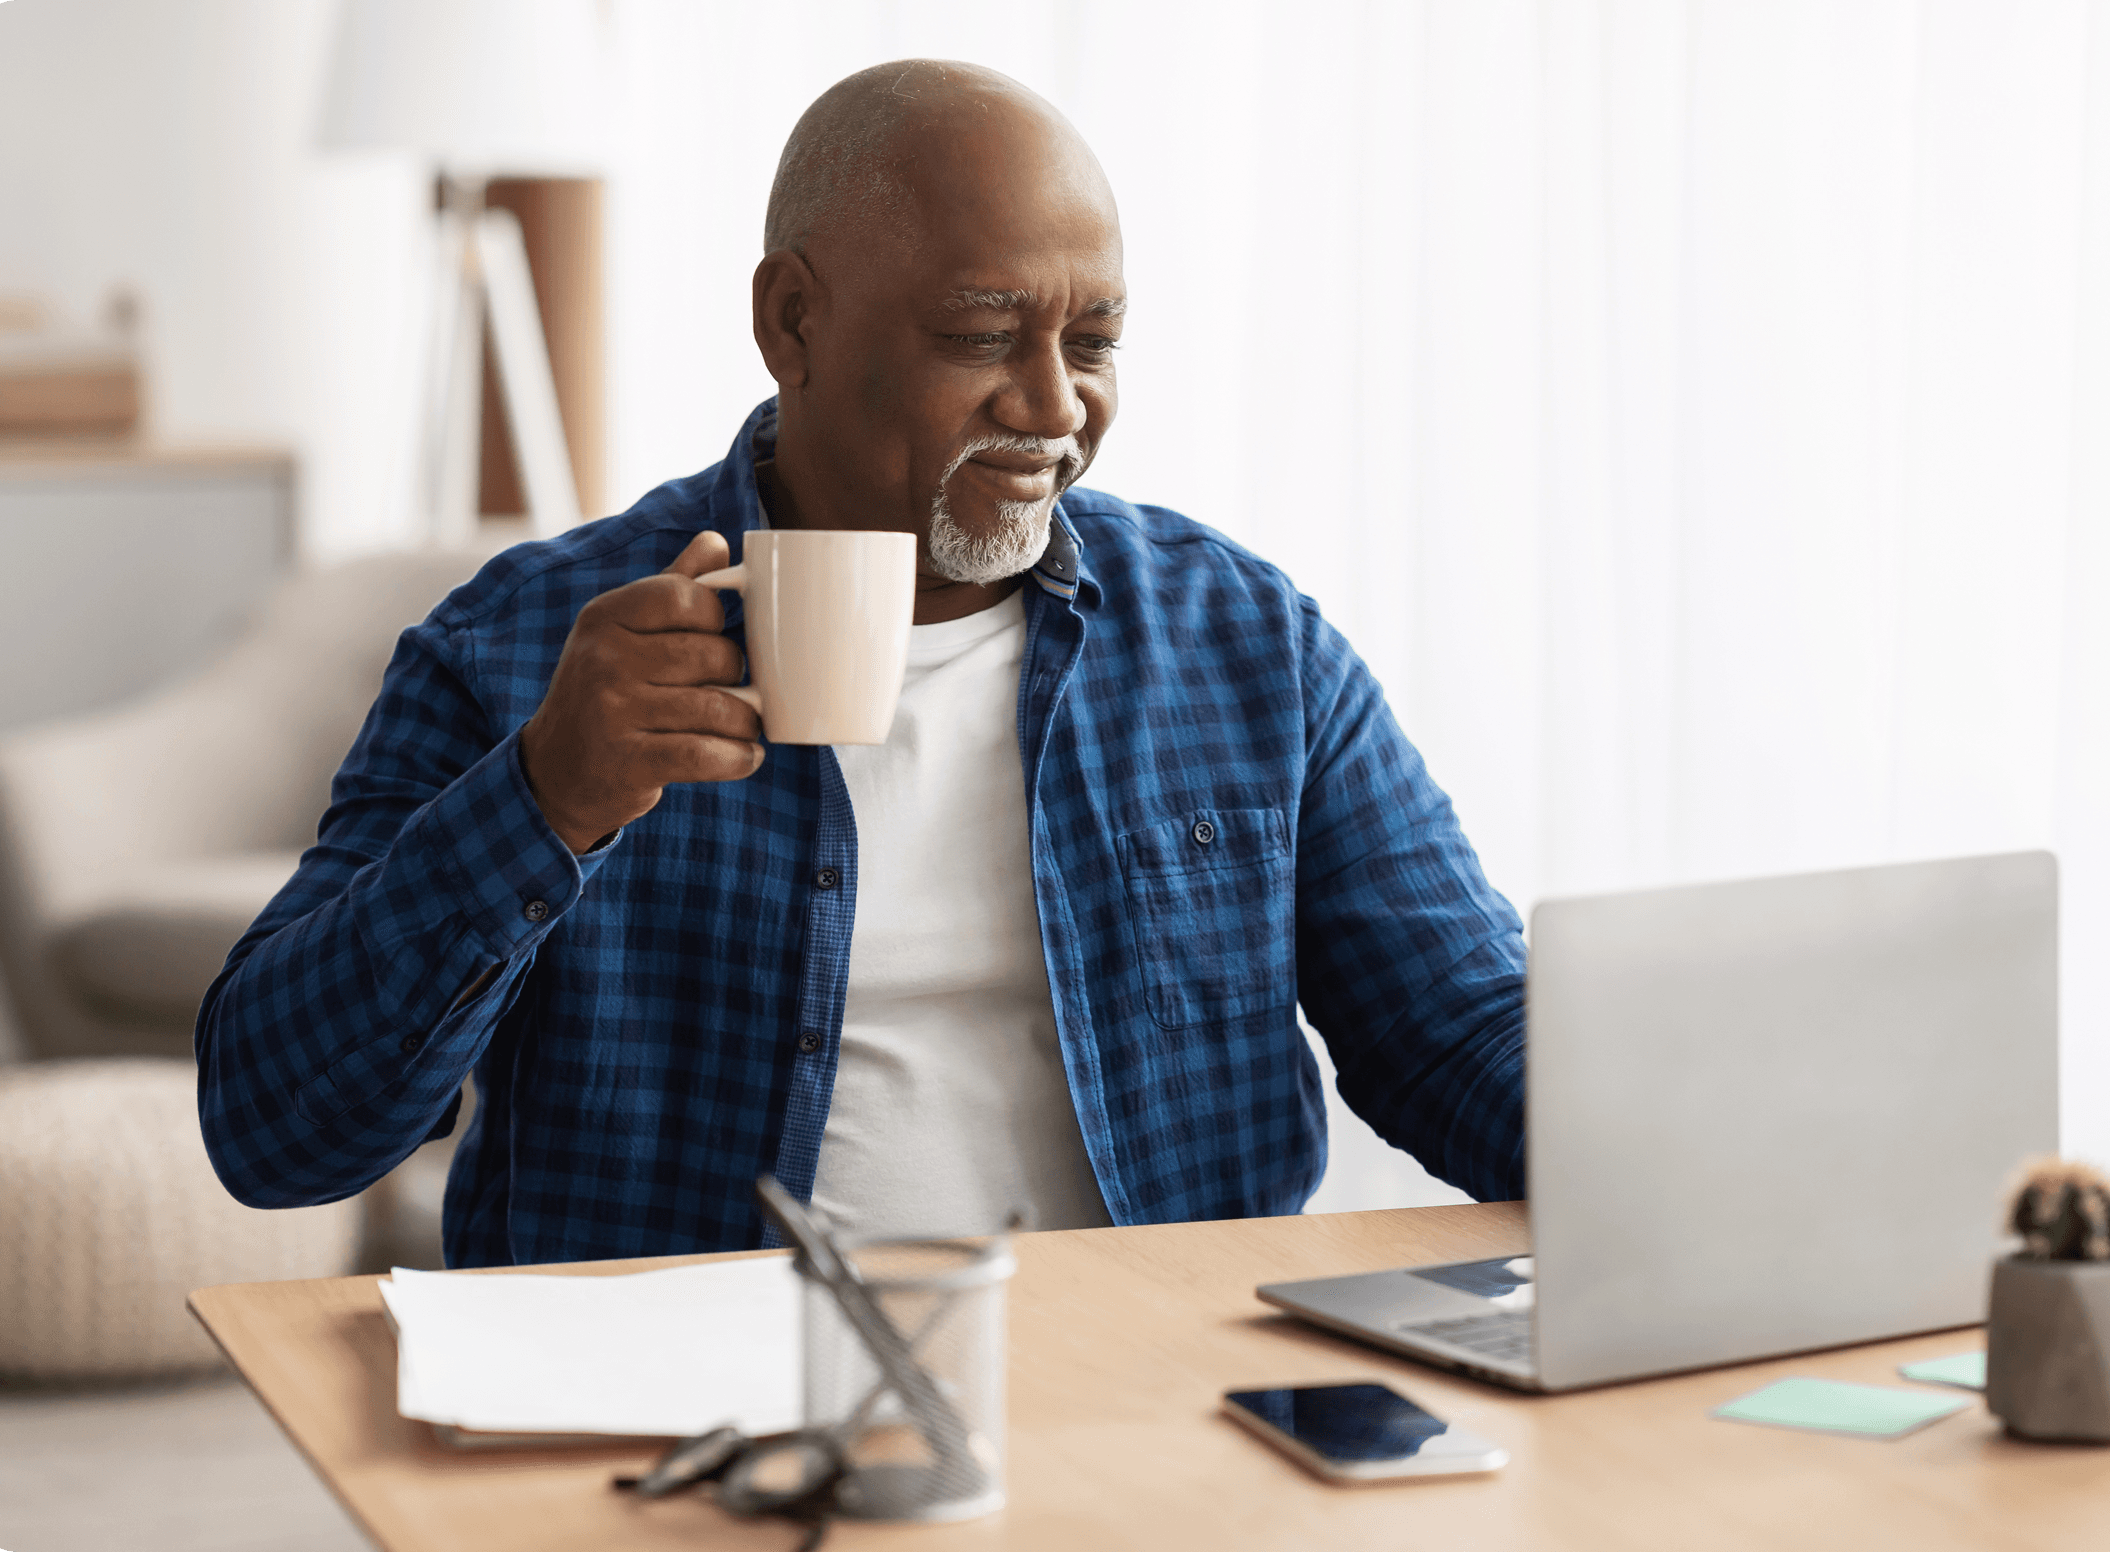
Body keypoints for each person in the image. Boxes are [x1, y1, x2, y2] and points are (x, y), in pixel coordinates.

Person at [196, 60, 1527, 1268]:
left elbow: (1459, 1030)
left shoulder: (1242, 645)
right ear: (793, 323)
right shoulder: (527, 649)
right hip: (678, 1423)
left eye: (1095, 339)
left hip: (1156, 1400)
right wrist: (545, 799)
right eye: (983, 333)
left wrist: (1681, 1150)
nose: (1057, 406)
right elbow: (274, 1135)